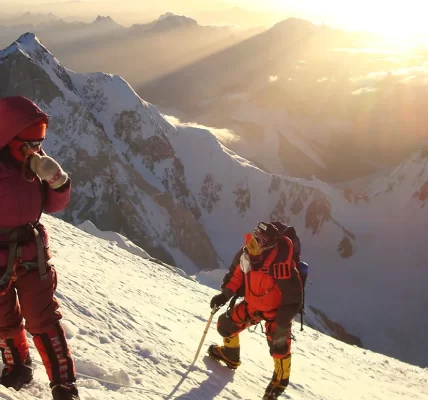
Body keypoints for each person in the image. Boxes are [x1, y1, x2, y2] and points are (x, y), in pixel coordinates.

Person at [0, 96, 79, 400]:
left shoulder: (36, 164)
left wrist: (59, 182)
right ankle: (17, 365)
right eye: (28, 143)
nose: (34, 150)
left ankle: (64, 385)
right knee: (3, 317)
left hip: (32, 252)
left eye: (39, 142)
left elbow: (53, 205)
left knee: (43, 319)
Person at [208, 222, 303, 400]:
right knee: (225, 325)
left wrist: (282, 324)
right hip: (253, 305)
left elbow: (293, 298)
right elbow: (236, 275)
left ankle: (280, 381)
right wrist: (224, 295)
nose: (254, 241)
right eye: (255, 236)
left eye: (260, 239)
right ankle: (230, 356)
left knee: (279, 344)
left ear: (270, 244)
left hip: (276, 312)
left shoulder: (281, 263)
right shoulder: (247, 254)